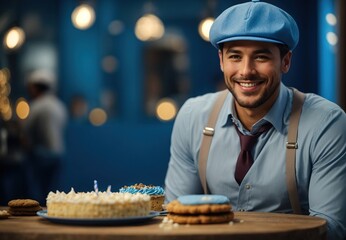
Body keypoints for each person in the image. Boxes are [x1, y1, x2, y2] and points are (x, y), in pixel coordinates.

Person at [164, 1, 346, 239]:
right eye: (235, 56)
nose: (246, 70)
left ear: (286, 61)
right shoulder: (192, 117)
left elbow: (330, 229)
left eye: (260, 57)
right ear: (221, 60)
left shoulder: (326, 123)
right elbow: (177, 218)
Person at [23, 69, 68, 205]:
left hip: (41, 155)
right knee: (52, 192)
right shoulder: (59, 106)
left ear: (36, 87)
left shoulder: (37, 106)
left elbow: (26, 133)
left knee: (37, 194)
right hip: (59, 154)